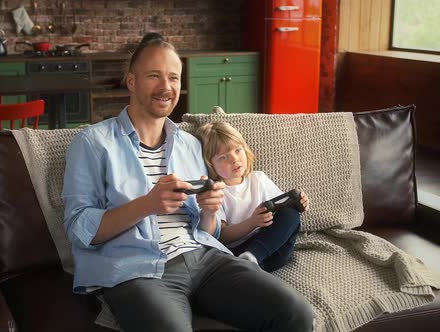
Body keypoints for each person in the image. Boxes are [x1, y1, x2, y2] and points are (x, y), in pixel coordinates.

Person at [62, 32, 313, 332]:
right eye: (154, 76)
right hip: (137, 270)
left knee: (295, 313)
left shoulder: (190, 145)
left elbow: (211, 231)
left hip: (204, 259)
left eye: (174, 78)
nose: (166, 87)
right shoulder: (92, 143)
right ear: (131, 81)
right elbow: (79, 228)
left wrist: (208, 211)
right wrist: (147, 205)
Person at [196, 121, 310, 271]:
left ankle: (253, 258)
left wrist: (300, 202)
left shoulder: (258, 179)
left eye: (238, 150)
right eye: (223, 157)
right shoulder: (215, 192)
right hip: (237, 252)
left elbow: (283, 208)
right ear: (210, 165)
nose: (234, 159)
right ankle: (250, 261)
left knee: (291, 214)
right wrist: (252, 222)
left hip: (270, 248)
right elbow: (221, 236)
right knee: (238, 258)